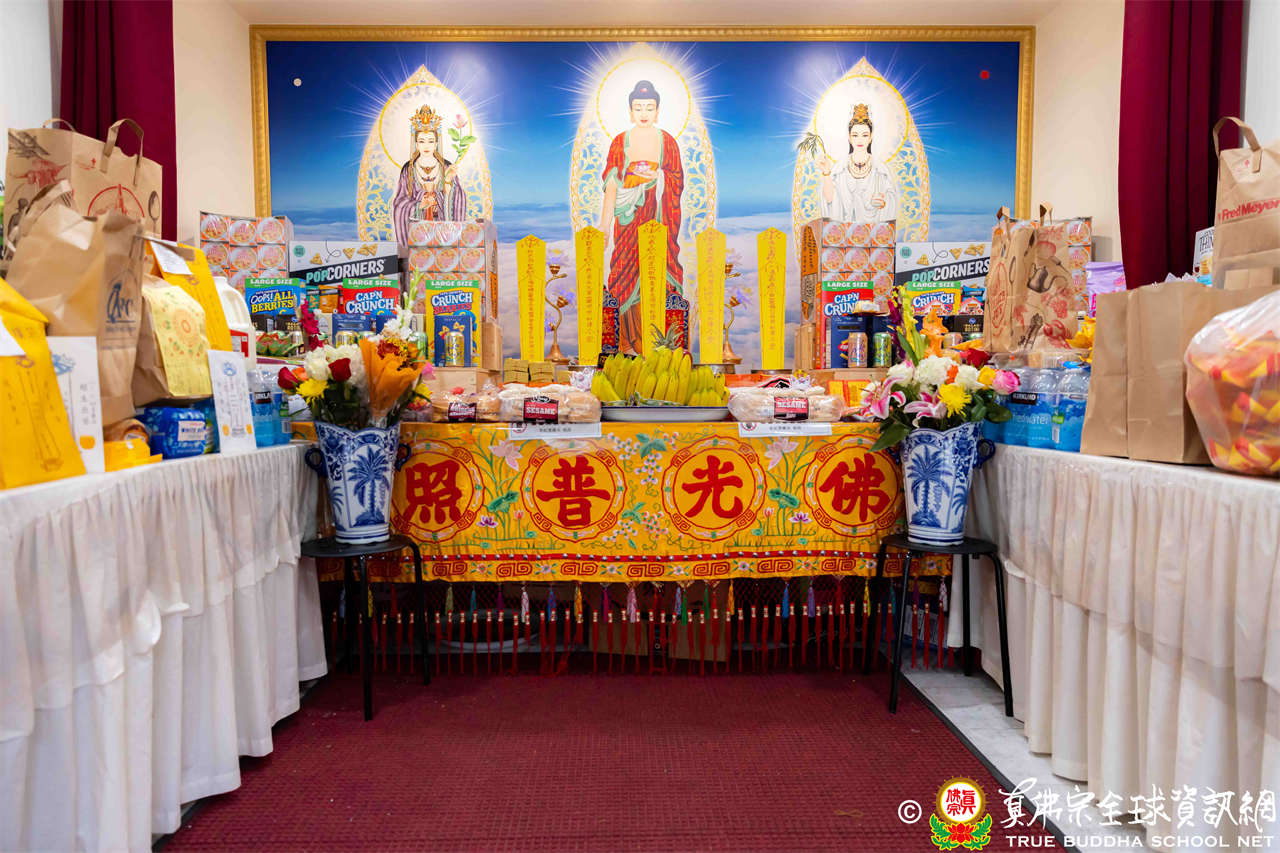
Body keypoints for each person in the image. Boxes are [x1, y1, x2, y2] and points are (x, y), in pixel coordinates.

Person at [599, 80, 685, 354]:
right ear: (630, 111)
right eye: (638, 107)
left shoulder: (667, 142)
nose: (644, 113)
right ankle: (626, 343)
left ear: (658, 111)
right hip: (628, 217)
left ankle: (660, 345)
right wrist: (604, 225)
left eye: (649, 107)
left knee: (658, 272)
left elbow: (676, 180)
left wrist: (657, 177)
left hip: (659, 218)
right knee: (624, 273)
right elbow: (612, 184)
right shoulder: (619, 142)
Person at [392, 104, 466, 245]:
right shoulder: (408, 169)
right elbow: (399, 203)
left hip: (442, 230)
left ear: (436, 143)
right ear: (416, 143)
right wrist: (419, 205)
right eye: (422, 141)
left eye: (431, 141)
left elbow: (458, 197)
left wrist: (448, 183)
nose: (426, 146)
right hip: (417, 231)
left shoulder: (446, 167)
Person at [819, 103, 897, 223]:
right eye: (855, 135)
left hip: (873, 229)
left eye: (864, 135)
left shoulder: (880, 170)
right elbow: (829, 199)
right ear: (849, 138)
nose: (860, 140)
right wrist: (826, 172)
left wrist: (884, 202)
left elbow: (891, 199)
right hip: (845, 230)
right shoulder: (840, 168)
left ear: (870, 138)